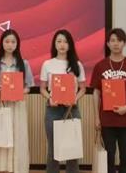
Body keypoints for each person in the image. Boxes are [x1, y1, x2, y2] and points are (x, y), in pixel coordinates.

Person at [90, 28, 126, 173]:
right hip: (107, 120)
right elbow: (96, 92)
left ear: (124, 43)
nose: (116, 44)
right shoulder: (100, 66)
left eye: (119, 40)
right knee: (109, 158)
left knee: (125, 158)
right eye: (112, 40)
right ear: (107, 44)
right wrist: (96, 117)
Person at [0, 29, 34, 173]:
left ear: (17, 44)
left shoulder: (23, 63)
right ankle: (0, 168)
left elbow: (28, 87)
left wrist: (19, 92)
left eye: (13, 42)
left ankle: (16, 168)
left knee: (16, 135)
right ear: (2, 43)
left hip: (17, 105)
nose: (10, 45)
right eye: (7, 41)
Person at [39, 29, 86, 173]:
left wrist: (74, 99)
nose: (62, 45)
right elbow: (42, 89)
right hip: (53, 110)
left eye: (65, 42)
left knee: (72, 149)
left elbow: (83, 89)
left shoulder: (77, 65)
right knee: (53, 149)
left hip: (72, 109)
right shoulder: (47, 64)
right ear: (54, 44)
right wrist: (50, 98)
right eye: (59, 41)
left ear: (70, 45)